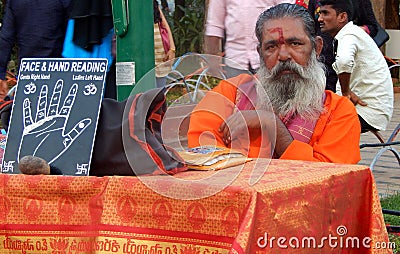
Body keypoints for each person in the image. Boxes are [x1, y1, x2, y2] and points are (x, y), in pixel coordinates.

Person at [187, 3, 361, 164]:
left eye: (295, 43)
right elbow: (204, 153)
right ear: (260, 53)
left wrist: (273, 126)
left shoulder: (339, 112)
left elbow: (332, 180)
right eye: (271, 47)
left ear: (317, 48)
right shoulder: (230, 92)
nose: (284, 55)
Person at [318, 0, 393, 133]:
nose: (320, 19)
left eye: (325, 13)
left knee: (316, 127)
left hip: (367, 112)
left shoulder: (349, 35)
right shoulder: (347, 34)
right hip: (364, 109)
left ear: (342, 17)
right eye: (319, 14)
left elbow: (344, 61)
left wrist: (346, 92)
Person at [204, 0, 296, 78]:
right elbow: (214, 25)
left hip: (269, 59)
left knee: (270, 97)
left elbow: (287, 15)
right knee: (236, 97)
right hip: (235, 61)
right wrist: (212, 61)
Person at [0, 0, 71, 99]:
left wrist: (1, 74)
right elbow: (71, 36)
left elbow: (6, 38)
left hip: (28, 72)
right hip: (58, 71)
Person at [308, 0, 379, 92]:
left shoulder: (360, 2)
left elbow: (373, 27)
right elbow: (310, 27)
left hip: (350, 64)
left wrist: (351, 32)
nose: (320, 18)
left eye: (325, 13)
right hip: (323, 60)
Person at [154, 0, 176, 87]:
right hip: (145, 57)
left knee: (160, 91)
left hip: (161, 56)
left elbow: (165, 25)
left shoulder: (153, 5)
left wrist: (172, 49)